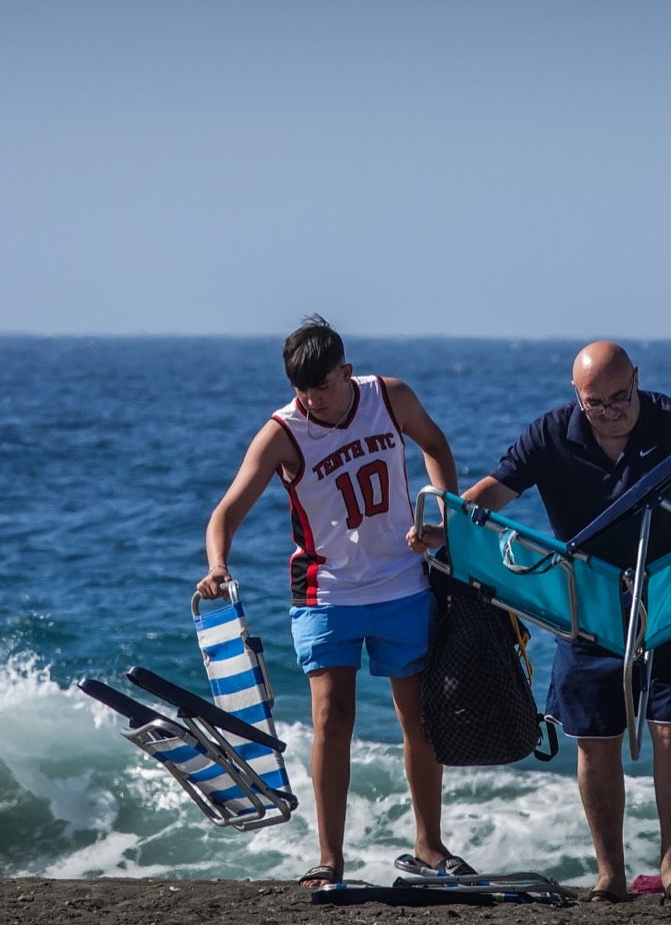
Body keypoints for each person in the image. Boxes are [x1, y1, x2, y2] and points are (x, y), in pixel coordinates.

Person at [456, 341, 671, 907]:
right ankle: (611, 874)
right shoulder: (550, 434)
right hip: (591, 599)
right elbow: (490, 495)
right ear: (577, 398)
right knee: (594, 740)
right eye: (596, 404)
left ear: (638, 379)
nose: (610, 411)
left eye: (620, 396)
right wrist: (445, 528)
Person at [198, 316, 472, 888]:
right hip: (326, 593)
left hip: (403, 583)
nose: (311, 399)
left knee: (417, 721)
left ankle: (429, 846)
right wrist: (218, 566)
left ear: (347, 372)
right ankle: (330, 860)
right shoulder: (283, 432)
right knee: (331, 718)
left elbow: (436, 447)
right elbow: (226, 513)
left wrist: (439, 515)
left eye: (321, 387)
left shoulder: (389, 397)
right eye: (301, 389)